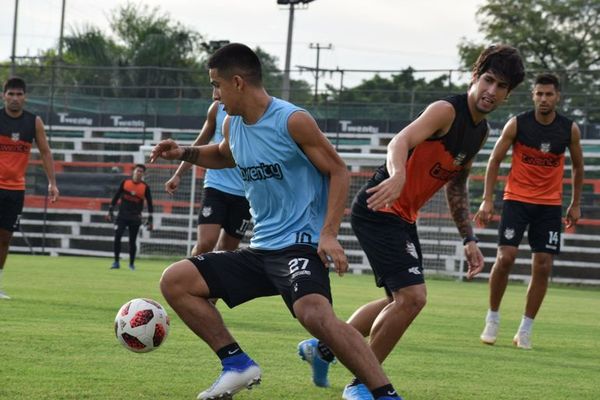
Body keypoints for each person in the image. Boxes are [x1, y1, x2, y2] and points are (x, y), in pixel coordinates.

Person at [150, 43, 403, 400]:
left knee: (314, 315)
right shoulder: (231, 124)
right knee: (175, 281)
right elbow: (225, 156)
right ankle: (237, 365)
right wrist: (185, 153)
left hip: (299, 245)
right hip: (260, 250)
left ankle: (385, 394)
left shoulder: (292, 120)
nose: (215, 95)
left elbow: (339, 171)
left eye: (216, 85)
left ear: (237, 82)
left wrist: (328, 235)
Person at [297, 44, 525, 399]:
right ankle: (363, 385)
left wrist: (469, 239)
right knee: (412, 298)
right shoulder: (445, 111)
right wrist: (399, 173)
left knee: (397, 299)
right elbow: (399, 141)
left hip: (402, 218)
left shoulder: (480, 132)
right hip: (378, 208)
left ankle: (322, 349)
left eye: (500, 87)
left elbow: (458, 184)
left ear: (508, 94)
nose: (491, 92)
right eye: (488, 80)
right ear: (475, 77)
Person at [475, 73, 584, 350]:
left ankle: (525, 329)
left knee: (543, 265)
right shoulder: (517, 124)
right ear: (533, 96)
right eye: (539, 94)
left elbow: (578, 166)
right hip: (516, 200)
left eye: (549, 94)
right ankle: (493, 318)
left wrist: (575, 203)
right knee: (506, 257)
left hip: (549, 205)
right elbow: (494, 159)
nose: (544, 99)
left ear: (557, 96)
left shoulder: (568, 129)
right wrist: (487, 199)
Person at [165, 100, 250, 256]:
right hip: (216, 186)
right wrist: (178, 174)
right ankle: (191, 278)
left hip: (245, 193)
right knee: (205, 244)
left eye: (218, 86)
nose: (215, 94)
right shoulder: (217, 108)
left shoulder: (257, 110)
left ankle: (214, 280)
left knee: (226, 251)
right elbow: (200, 142)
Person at [0, 76, 60, 300]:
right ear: (3, 95)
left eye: (19, 94)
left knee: (5, 237)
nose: (15, 98)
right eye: (11, 94)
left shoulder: (33, 122)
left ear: (25, 97)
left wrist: (52, 183)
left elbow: (45, 152)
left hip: (16, 189)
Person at [106, 164, 154, 270]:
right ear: (134, 171)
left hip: (135, 218)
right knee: (117, 237)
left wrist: (150, 220)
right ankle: (116, 262)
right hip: (122, 216)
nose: (139, 173)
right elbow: (116, 197)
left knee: (132, 241)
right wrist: (110, 211)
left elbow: (150, 204)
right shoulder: (125, 183)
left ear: (143, 174)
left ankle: (131, 264)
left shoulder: (145, 187)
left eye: (141, 171)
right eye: (138, 170)